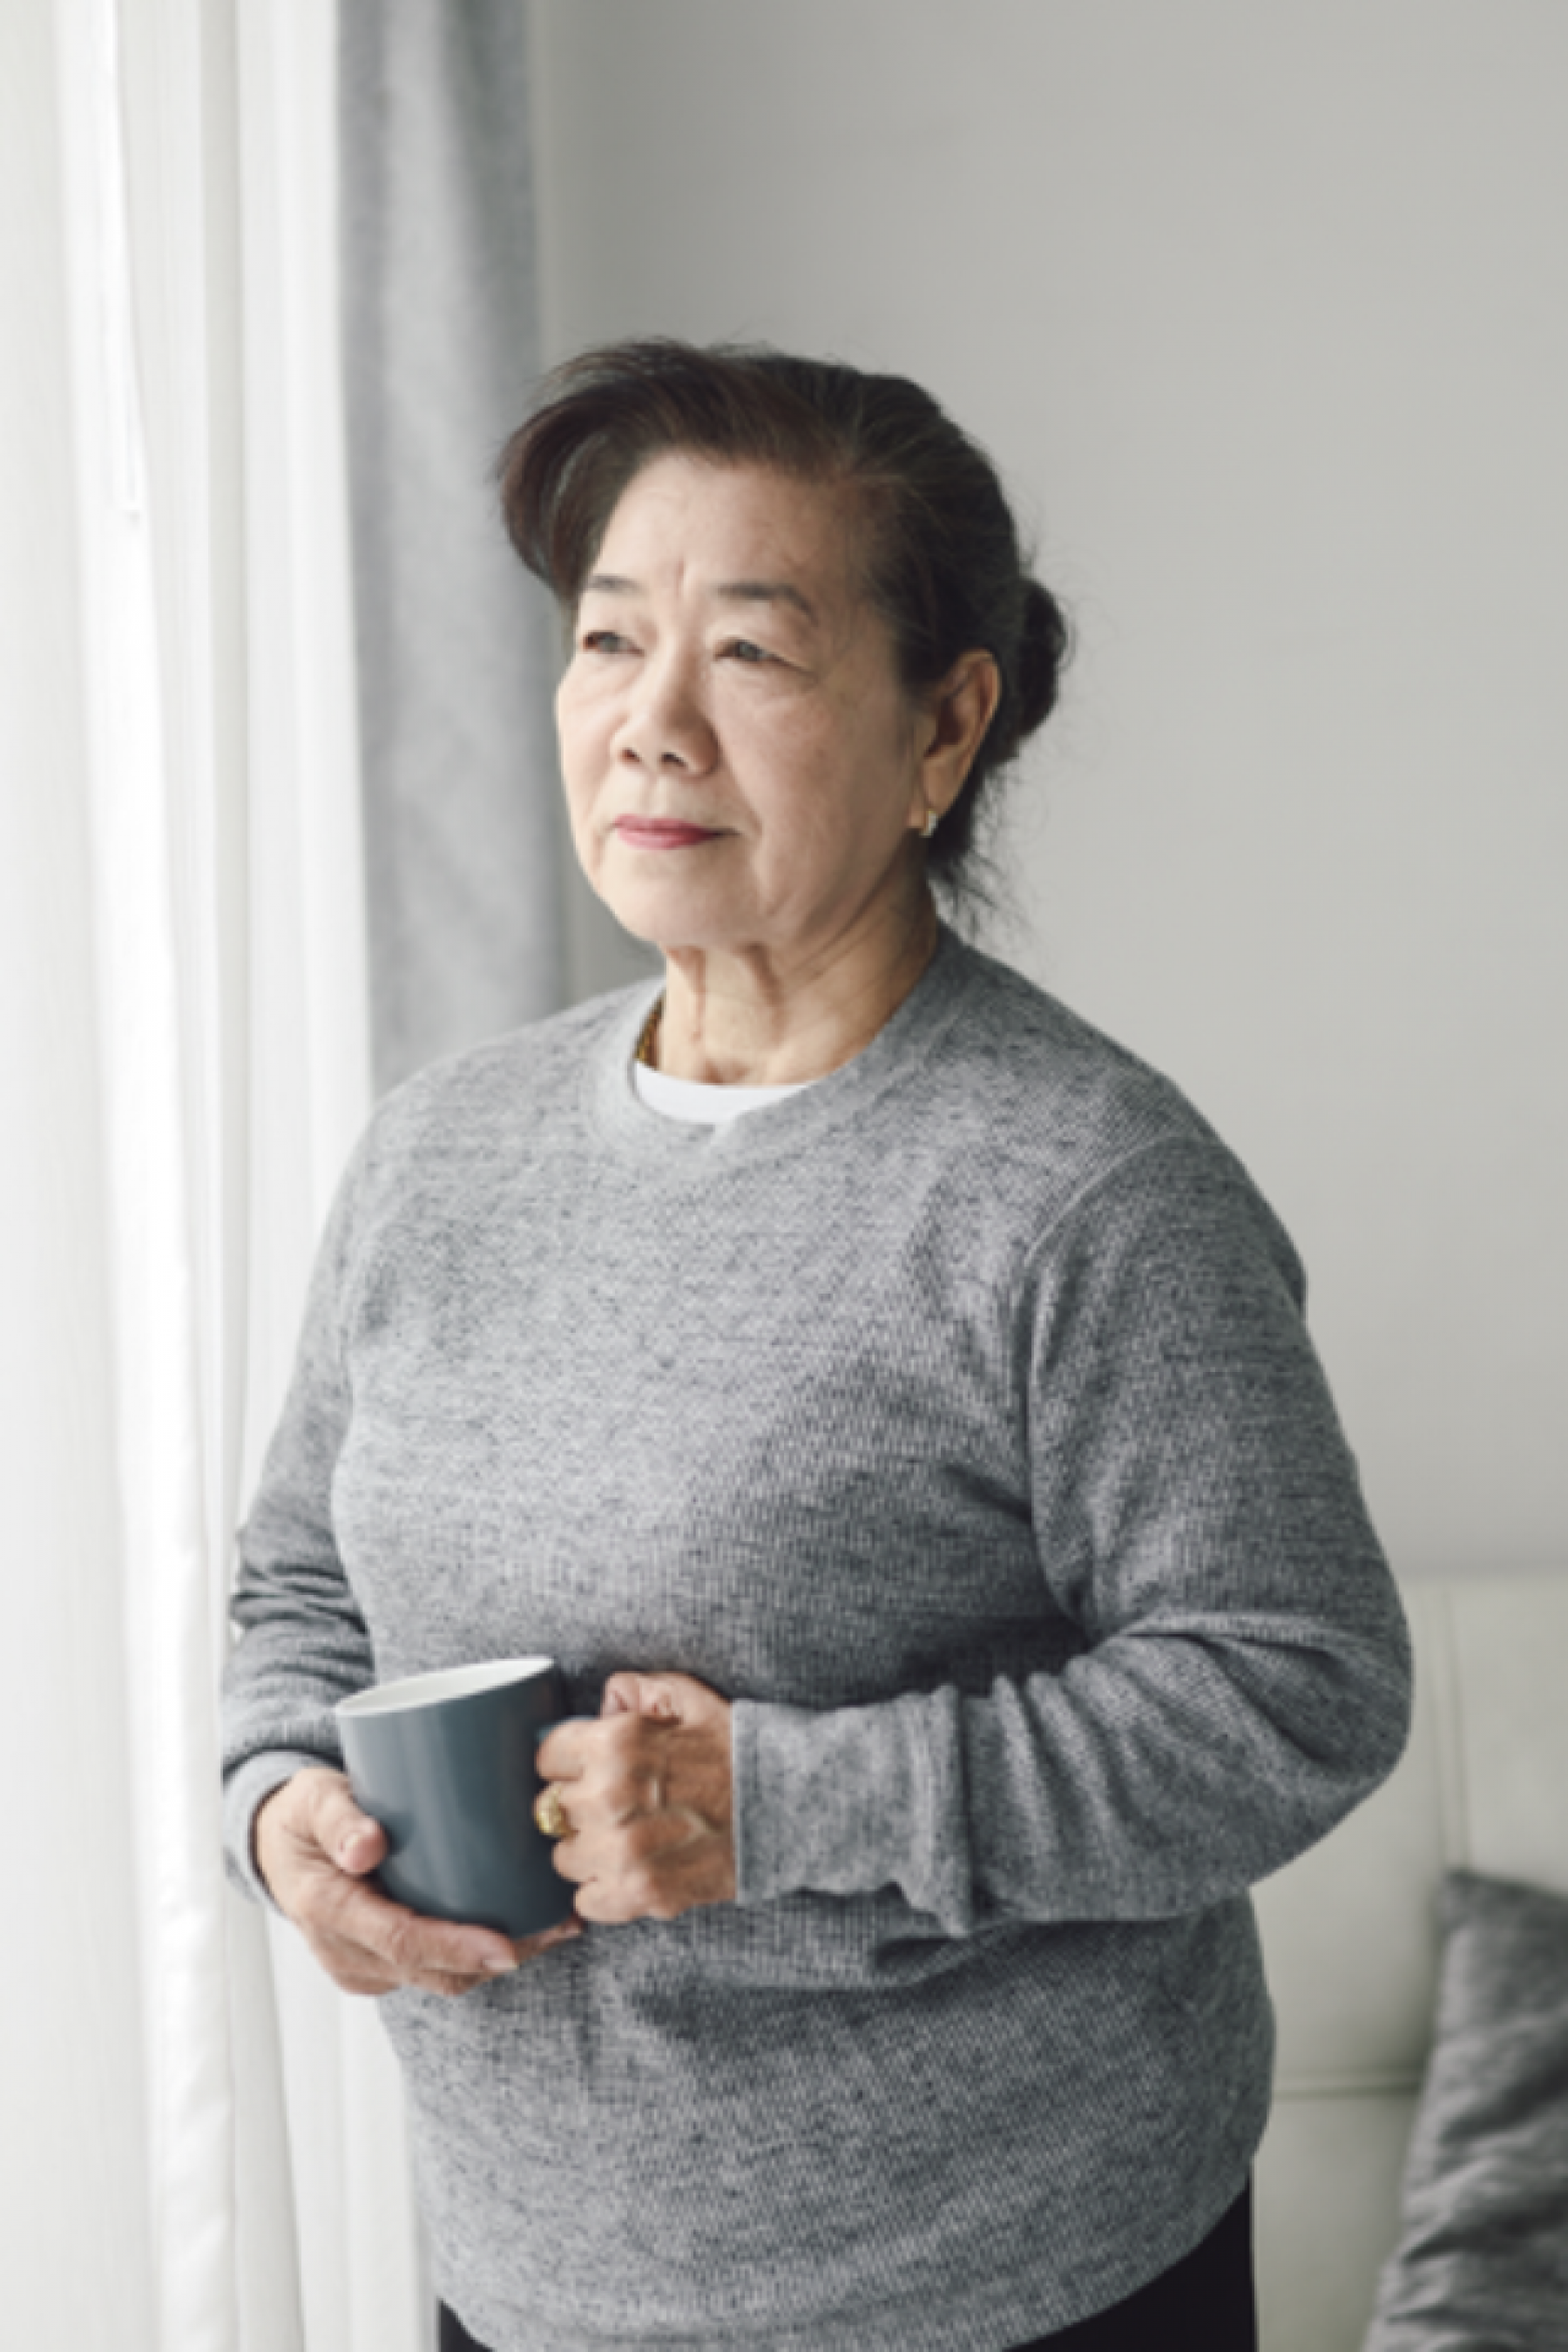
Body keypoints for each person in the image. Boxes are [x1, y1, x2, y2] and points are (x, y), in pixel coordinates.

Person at [222, 338, 1413, 2352]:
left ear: (946, 728)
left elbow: (1297, 1690)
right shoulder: (442, 1148)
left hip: (1010, 2286)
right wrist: (280, 1810)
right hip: (523, 2283)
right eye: (607, 643)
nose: (648, 727)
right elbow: (296, 1581)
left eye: (752, 657)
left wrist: (780, 1806)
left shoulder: (1081, 1186)